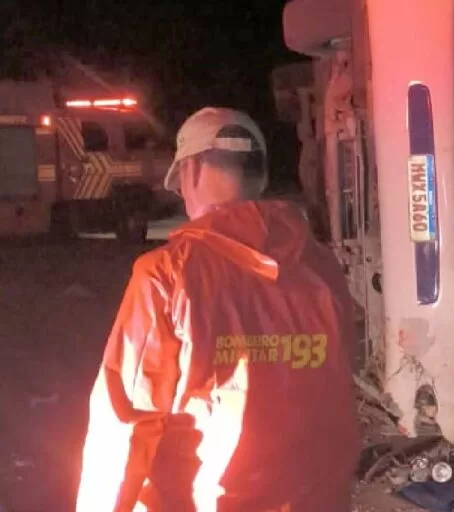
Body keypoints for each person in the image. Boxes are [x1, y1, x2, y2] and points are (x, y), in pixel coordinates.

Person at [75, 107, 361, 512]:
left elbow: (126, 424)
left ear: (191, 172)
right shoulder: (321, 266)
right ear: (260, 176)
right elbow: (339, 379)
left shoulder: (167, 273)